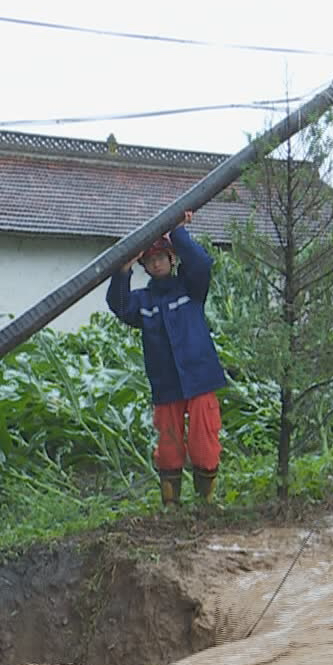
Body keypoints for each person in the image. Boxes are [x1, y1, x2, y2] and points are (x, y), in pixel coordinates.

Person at [106, 212, 228, 507]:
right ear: (145, 266)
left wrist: (178, 233)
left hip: (199, 377)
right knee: (169, 444)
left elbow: (201, 264)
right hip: (166, 382)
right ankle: (171, 507)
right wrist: (122, 270)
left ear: (172, 259)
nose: (156, 262)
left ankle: (205, 504)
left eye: (162, 256)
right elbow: (119, 305)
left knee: (204, 438)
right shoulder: (142, 302)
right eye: (149, 260)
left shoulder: (191, 288)